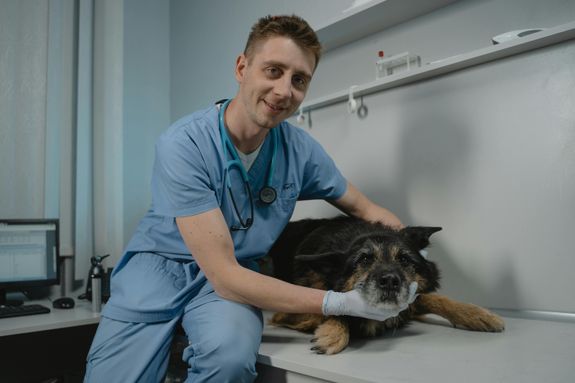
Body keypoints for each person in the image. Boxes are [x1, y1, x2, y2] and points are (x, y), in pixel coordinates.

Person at [84, 14, 414, 383]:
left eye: (299, 80)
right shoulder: (184, 144)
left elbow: (366, 209)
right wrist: (338, 302)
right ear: (242, 68)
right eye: (273, 71)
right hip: (161, 271)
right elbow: (222, 274)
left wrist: (411, 259)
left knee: (230, 361)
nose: (284, 91)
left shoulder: (301, 152)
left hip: (235, 280)